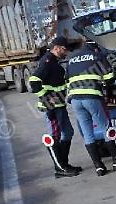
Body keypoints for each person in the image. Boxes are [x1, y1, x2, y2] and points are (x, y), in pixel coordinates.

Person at [65, 38, 116, 176]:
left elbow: (67, 78)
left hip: (75, 100)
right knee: (105, 128)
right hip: (91, 97)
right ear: (95, 48)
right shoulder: (96, 55)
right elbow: (108, 76)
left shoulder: (71, 59)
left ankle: (99, 167)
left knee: (88, 133)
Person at [28, 36, 81, 178]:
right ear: (56, 48)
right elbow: (34, 82)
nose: (66, 52)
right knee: (54, 136)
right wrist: (46, 99)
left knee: (68, 132)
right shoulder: (47, 61)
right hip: (51, 107)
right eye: (64, 50)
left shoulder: (54, 61)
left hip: (60, 105)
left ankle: (64, 164)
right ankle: (60, 168)